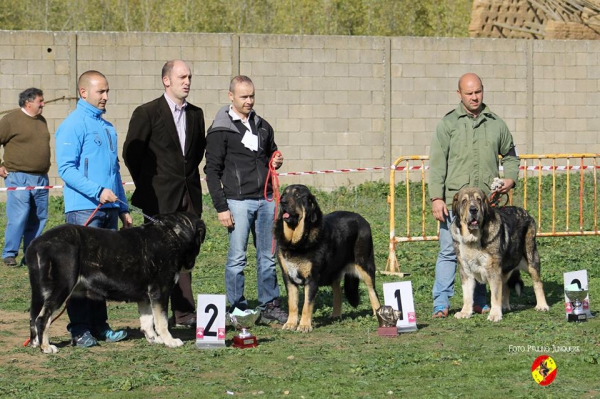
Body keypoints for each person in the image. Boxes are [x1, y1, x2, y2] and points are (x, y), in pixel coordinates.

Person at [428, 72, 519, 318]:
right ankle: (441, 304)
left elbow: (511, 155)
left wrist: (510, 179)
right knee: (449, 252)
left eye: (478, 92)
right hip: (454, 206)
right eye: (469, 93)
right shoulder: (448, 124)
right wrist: (436, 197)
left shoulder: (496, 123)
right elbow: (437, 164)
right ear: (459, 94)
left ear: (483, 90)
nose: (474, 97)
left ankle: (481, 301)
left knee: (485, 254)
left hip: (486, 205)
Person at [123, 60, 206, 328]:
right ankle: (158, 314)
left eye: (189, 77)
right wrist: (148, 185)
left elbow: (195, 154)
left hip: (189, 197)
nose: (187, 81)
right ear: (166, 80)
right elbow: (131, 154)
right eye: (182, 76)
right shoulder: (147, 112)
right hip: (157, 199)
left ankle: (184, 313)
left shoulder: (196, 114)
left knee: (186, 256)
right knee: (159, 259)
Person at [55, 70, 133, 347]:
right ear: (83, 92)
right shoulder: (72, 125)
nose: (106, 97)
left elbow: (114, 171)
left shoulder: (108, 127)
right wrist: (97, 192)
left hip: (109, 211)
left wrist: (122, 206)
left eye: (107, 91)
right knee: (80, 274)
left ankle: (100, 326)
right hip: (83, 211)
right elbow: (65, 169)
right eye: (101, 92)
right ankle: (79, 329)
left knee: (103, 273)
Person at [204, 75, 287, 323]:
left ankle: (270, 305)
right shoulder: (220, 130)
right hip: (237, 202)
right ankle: (238, 308)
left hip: (266, 200)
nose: (249, 101)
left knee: (267, 258)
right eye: (244, 96)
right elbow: (211, 171)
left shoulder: (262, 125)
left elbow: (271, 151)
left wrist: (277, 159)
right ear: (231, 96)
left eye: (252, 96)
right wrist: (221, 207)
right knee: (237, 258)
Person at [0, 88, 50, 267]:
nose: (43, 104)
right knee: (19, 216)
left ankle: (31, 253)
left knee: (39, 217)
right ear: (29, 103)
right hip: (18, 177)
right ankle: (9, 253)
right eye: (40, 101)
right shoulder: (10, 120)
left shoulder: (41, 120)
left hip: (41, 178)